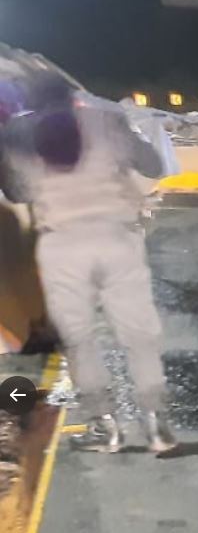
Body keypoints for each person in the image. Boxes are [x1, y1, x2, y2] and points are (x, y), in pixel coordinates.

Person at [0, 71, 177, 455]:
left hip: (62, 243)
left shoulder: (17, 133)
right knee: (139, 333)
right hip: (118, 237)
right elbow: (153, 165)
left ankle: (105, 427)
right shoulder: (106, 121)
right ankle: (156, 425)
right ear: (72, 96)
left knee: (80, 339)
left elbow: (17, 190)